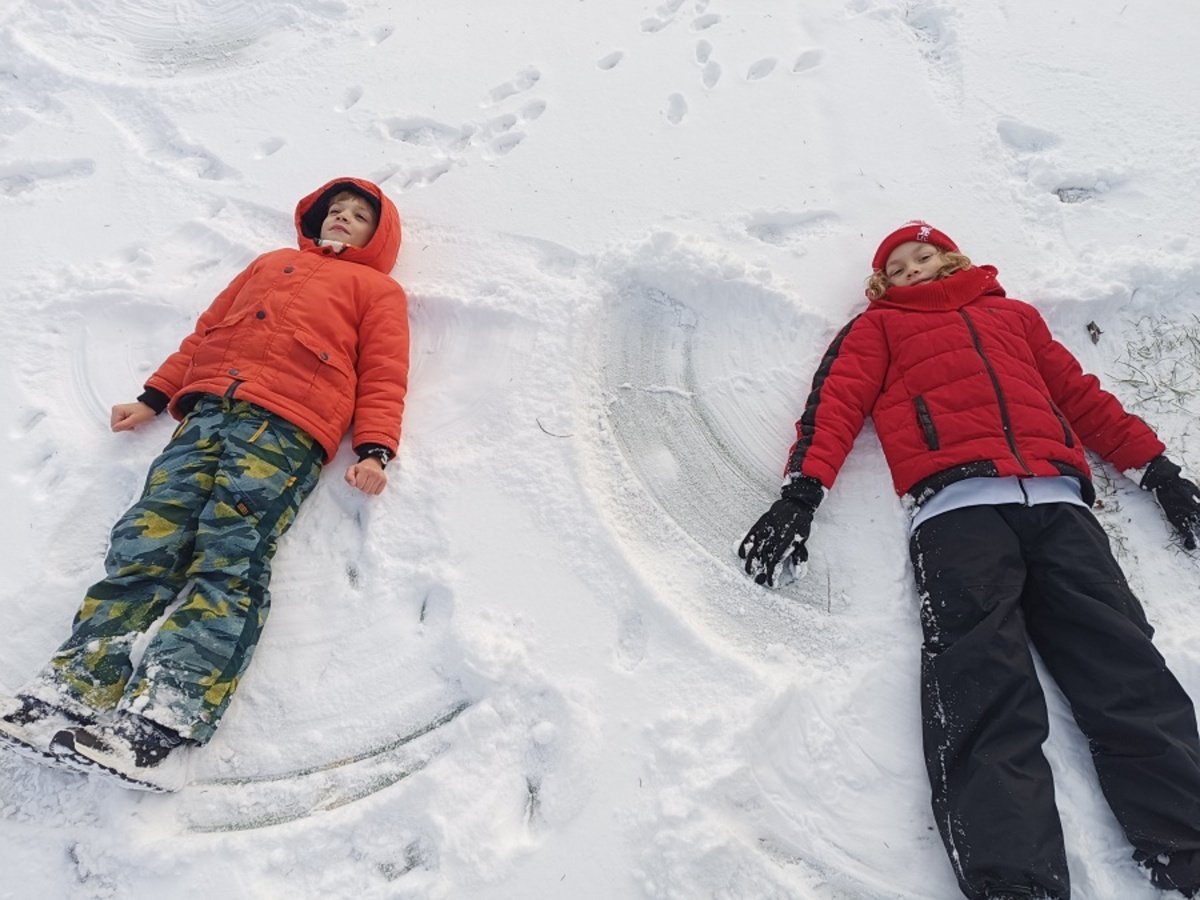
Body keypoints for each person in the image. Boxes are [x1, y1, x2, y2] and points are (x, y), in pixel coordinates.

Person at [738, 221, 1200, 899]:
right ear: (882, 285)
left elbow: (1080, 397)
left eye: (921, 255)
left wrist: (1157, 472)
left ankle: (1188, 846)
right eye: (896, 267)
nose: (910, 268)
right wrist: (801, 495)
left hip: (1059, 506)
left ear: (949, 257)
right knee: (982, 678)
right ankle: (1015, 882)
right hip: (956, 513)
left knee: (1124, 664)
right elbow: (833, 405)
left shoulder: (1014, 317)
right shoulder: (878, 328)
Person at [0, 177, 409, 791]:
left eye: (360, 215)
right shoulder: (270, 264)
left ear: (379, 236)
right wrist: (153, 396)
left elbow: (383, 371)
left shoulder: (376, 290)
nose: (343, 218)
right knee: (144, 542)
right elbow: (206, 333)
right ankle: (71, 689)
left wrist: (375, 449)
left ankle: (160, 718)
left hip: (285, 430)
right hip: (206, 414)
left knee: (229, 555)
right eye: (336, 209)